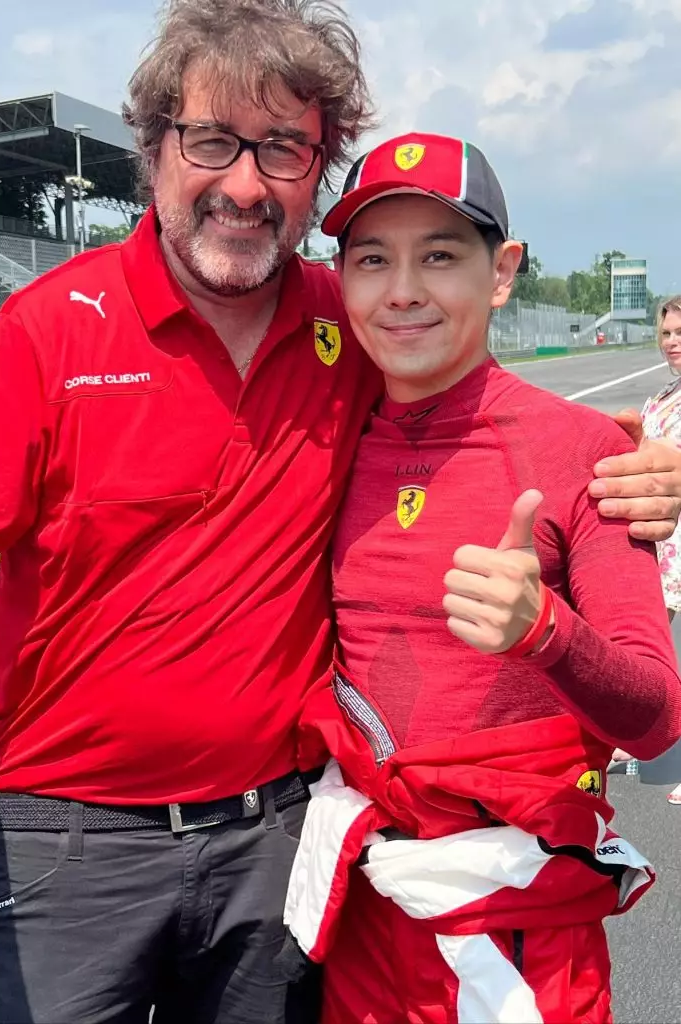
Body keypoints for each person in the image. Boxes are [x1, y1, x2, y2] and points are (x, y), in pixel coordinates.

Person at [0, 2, 678, 1020]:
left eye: (283, 148)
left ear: (314, 173)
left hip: (279, 841)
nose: (244, 185)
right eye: (211, 140)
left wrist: (635, 470)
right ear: (154, 152)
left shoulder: (349, 325)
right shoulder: (50, 329)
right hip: (70, 846)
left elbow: (473, 409)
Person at [283, 132, 681, 1024]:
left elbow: (656, 717)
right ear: (339, 279)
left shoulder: (582, 451)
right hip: (359, 909)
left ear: (500, 272)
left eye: (439, 256)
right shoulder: (327, 436)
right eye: (372, 259)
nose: (402, 290)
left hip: (516, 927)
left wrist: (546, 632)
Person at [612, 296, 681, 801]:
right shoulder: (661, 399)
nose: (672, 342)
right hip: (661, 544)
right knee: (648, 647)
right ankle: (639, 736)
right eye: (666, 334)